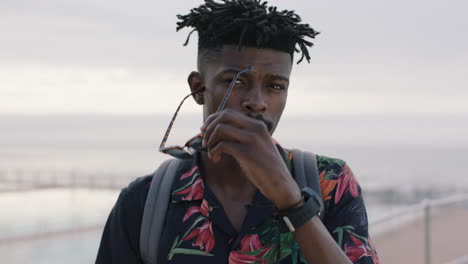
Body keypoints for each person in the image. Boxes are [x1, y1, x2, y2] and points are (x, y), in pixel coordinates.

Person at [96, 0, 380, 263]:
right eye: (236, 81)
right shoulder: (144, 203)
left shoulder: (331, 183)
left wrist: (292, 202)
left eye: (275, 86)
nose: (257, 102)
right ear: (198, 88)